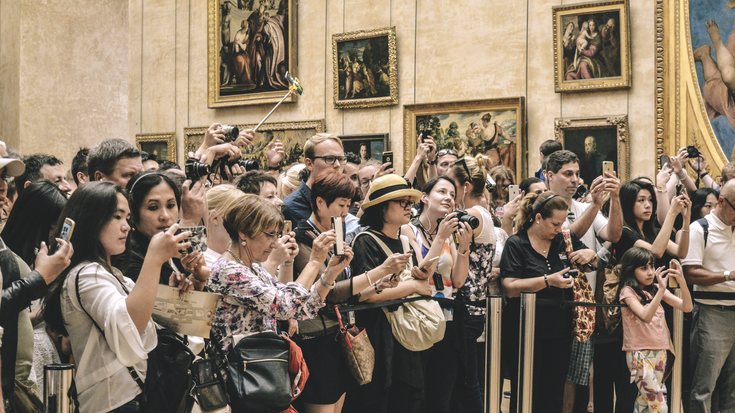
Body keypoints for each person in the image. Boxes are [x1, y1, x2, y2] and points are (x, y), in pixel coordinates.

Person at [43, 181, 189, 412]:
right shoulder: (86, 273)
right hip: (113, 400)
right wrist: (154, 258)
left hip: (125, 396)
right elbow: (131, 325)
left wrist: (175, 295)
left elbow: (147, 321)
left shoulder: (111, 274)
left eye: (127, 218)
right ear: (91, 219)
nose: (126, 227)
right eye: (116, 217)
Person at [292, 171, 399, 413]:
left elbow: (347, 288)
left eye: (349, 205)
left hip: (338, 333)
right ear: (320, 202)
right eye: (341, 205)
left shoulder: (334, 234)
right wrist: (378, 271)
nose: (345, 212)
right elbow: (328, 293)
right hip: (316, 338)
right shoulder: (304, 238)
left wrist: (375, 286)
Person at [207, 194, 352, 357]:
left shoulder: (252, 268)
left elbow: (304, 308)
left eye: (277, 235)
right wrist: (314, 262)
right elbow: (287, 305)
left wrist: (330, 272)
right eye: (270, 234)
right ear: (243, 231)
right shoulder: (228, 271)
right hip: (242, 373)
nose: (275, 243)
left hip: (259, 367)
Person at [500, 191, 596, 412]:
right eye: (555, 223)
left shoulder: (564, 238)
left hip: (559, 327)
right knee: (526, 387)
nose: (559, 228)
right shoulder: (517, 243)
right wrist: (547, 281)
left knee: (553, 389)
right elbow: (510, 288)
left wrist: (590, 253)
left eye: (563, 223)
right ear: (538, 218)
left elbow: (592, 260)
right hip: (524, 326)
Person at [544, 149, 623, 413]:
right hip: (553, 299)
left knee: (578, 375)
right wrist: (596, 206)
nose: (575, 180)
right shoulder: (540, 204)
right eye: (568, 174)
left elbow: (613, 233)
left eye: (577, 174)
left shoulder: (581, 207)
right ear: (549, 175)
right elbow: (562, 239)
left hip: (584, 300)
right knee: (556, 373)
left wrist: (615, 198)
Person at [345, 174, 429, 413]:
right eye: (400, 201)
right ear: (382, 208)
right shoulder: (365, 240)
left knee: (403, 400)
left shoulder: (404, 240)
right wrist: (412, 287)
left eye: (409, 201)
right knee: (378, 401)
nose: (408, 206)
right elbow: (364, 296)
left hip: (403, 334)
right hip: (377, 335)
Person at [0, 158, 73, 409]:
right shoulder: (12, 259)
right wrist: (41, 280)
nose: (3, 190)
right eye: (53, 227)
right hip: (17, 374)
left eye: (4, 179)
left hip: (27, 370)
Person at [401, 176, 473, 413]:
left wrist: (463, 248)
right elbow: (422, 272)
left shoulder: (449, 233)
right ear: (424, 197)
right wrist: (440, 237)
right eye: (442, 192)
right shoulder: (408, 230)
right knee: (417, 394)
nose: (449, 198)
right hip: (420, 319)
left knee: (442, 396)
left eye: (452, 194)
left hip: (448, 320)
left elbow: (459, 280)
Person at [446, 155, 498, 412]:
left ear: (465, 186)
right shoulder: (484, 213)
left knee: (467, 384)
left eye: (451, 186)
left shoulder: (470, 217)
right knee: (467, 382)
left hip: (466, 308)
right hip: (476, 306)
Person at [682, 180, 735, 413]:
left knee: (733, 387)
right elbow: (690, 273)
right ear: (721, 202)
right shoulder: (699, 228)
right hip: (712, 312)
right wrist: (728, 275)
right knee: (705, 385)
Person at [617, 247, 692, 412]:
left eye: (651, 266)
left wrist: (682, 281)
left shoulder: (657, 289)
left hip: (660, 353)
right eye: (643, 268)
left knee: (644, 405)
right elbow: (645, 315)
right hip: (639, 355)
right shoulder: (627, 292)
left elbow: (687, 307)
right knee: (660, 406)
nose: (650, 272)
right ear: (631, 270)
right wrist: (660, 291)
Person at [117, 172, 208, 294]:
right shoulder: (127, 256)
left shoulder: (176, 244)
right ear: (133, 214)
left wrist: (198, 279)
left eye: (170, 205)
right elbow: (147, 309)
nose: (165, 216)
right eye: (153, 207)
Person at [613, 180, 690, 265]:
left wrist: (686, 218)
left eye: (650, 200)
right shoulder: (624, 232)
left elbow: (681, 253)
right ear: (628, 203)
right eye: (641, 200)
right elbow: (656, 252)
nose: (648, 205)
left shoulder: (653, 232)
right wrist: (672, 213)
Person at [282, 133, 346, 223]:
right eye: (330, 159)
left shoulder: (339, 203)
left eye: (341, 159)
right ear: (309, 164)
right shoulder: (289, 207)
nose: (337, 165)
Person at [693, 20, 735, 131]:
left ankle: (704, 54)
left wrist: (717, 41)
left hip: (724, 97)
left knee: (716, 85)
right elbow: (728, 74)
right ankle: (704, 54)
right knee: (717, 83)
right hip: (725, 92)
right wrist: (717, 41)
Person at [204, 184, 246, 268]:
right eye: (238, 217)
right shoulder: (204, 261)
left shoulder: (246, 255)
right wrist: (272, 262)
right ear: (215, 218)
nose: (245, 224)